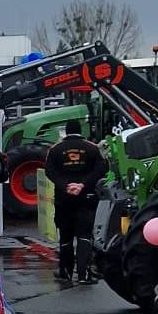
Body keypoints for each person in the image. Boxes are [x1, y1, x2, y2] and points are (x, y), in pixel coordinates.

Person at [45, 121, 107, 284]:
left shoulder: (55, 149)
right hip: (86, 198)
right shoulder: (92, 148)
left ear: (66, 132)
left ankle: (65, 272)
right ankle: (84, 274)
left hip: (63, 199)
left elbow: (49, 171)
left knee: (65, 236)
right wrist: (83, 184)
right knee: (84, 236)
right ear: (80, 131)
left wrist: (65, 185)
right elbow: (102, 168)